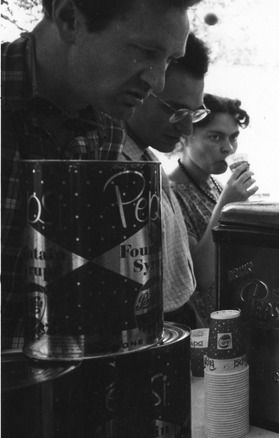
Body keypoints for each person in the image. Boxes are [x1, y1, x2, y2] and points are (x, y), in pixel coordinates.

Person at [1, 0, 198, 348]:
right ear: (69, 19)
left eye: (168, 60)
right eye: (145, 51)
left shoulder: (107, 127)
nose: (157, 80)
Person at [122, 33, 210, 328]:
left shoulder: (147, 159)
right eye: (173, 110)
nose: (186, 128)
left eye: (194, 113)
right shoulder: (116, 166)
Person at [169, 94, 258, 326]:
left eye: (233, 137)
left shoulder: (216, 185)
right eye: (215, 137)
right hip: (203, 329)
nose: (228, 148)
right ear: (185, 137)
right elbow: (200, 276)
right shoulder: (170, 193)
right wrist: (227, 203)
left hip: (231, 313)